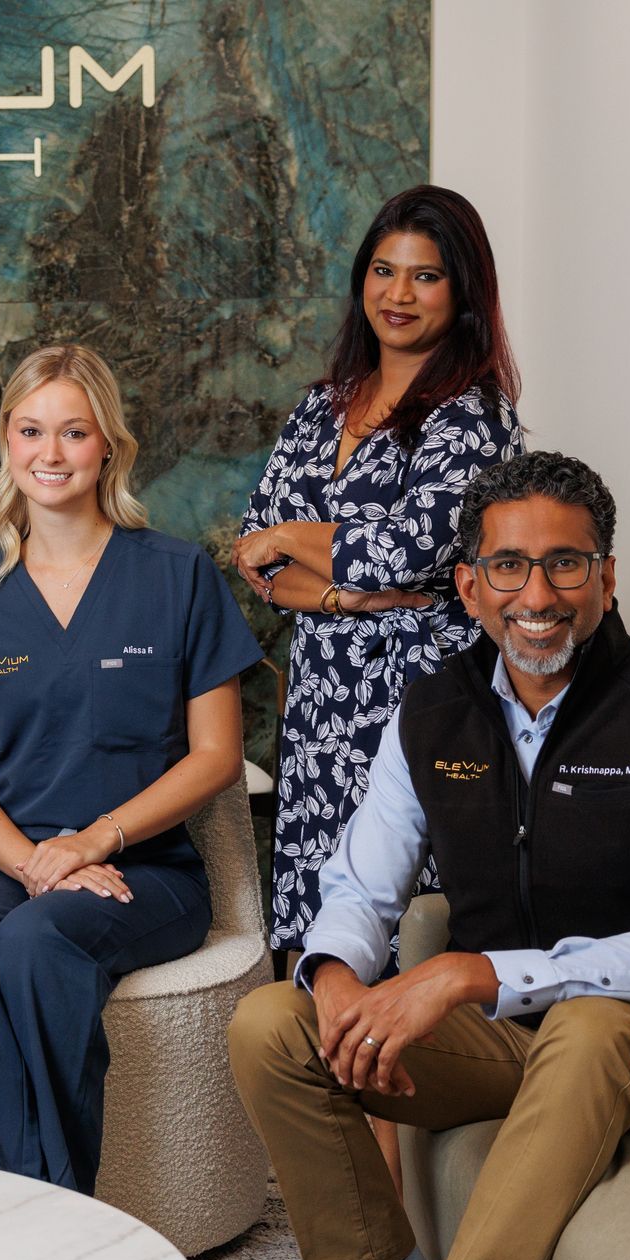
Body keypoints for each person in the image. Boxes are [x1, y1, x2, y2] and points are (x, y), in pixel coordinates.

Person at [228, 451, 630, 1260]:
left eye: (566, 564)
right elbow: (362, 886)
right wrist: (334, 975)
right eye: (509, 566)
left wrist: (469, 974)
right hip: (507, 1047)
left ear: (606, 577)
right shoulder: (433, 713)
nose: (539, 596)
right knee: (274, 1025)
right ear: (471, 585)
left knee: (593, 1022)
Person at [0, 344, 263, 1193]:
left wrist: (94, 844)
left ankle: (49, 1208)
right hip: (9, 859)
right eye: (31, 431)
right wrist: (36, 862)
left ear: (109, 447)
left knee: (35, 941)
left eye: (73, 432)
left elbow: (216, 755)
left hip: (148, 868)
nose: (50, 454)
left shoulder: (177, 577)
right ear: (7, 442)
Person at [235, 184, 523, 958]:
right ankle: (312, 1073)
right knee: (315, 925)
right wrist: (356, 591)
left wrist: (303, 543)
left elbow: (411, 551)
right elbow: (254, 550)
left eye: (425, 276)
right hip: (321, 705)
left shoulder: (473, 416)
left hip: (419, 697)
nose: (398, 294)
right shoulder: (320, 405)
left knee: (407, 928)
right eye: (383, 270)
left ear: (462, 292)